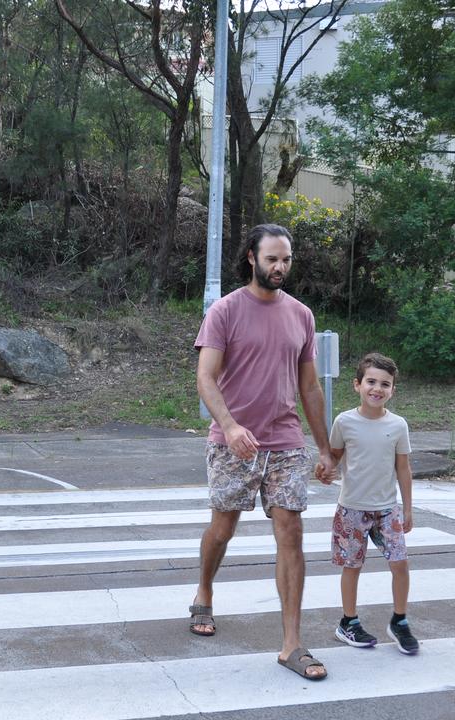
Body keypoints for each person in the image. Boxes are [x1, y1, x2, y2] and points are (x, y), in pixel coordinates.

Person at [190, 223, 335, 681]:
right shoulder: (225, 311)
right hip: (234, 442)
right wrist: (230, 426)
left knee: (290, 530)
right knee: (223, 527)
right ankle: (204, 591)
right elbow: (206, 379)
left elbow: (309, 387)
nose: (280, 267)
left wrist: (326, 448)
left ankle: (292, 643)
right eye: (272, 258)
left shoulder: (302, 315)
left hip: (285, 441)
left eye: (286, 259)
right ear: (251, 257)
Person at [328, 352, 419, 655]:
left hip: (387, 509)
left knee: (400, 564)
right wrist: (324, 470)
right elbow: (333, 459)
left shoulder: (398, 425)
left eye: (385, 384)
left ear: (393, 389)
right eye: (371, 381)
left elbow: (403, 468)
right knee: (352, 566)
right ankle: (348, 621)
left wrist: (407, 507)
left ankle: (400, 620)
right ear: (357, 385)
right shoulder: (344, 422)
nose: (377, 389)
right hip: (352, 509)